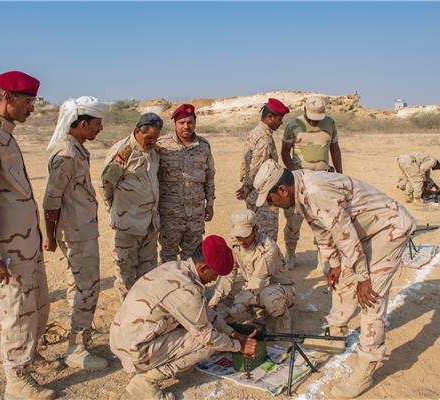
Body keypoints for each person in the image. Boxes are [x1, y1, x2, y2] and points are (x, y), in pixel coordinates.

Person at [253, 159, 416, 399]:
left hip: (388, 228)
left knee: (370, 297)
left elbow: (344, 234)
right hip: (363, 233)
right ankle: (336, 332)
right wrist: (336, 264)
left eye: (270, 198)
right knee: (342, 281)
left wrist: (364, 277)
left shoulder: (316, 191)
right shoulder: (299, 187)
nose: (271, 204)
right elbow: (320, 229)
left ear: (282, 190)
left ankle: (367, 365)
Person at [0, 71, 56, 399]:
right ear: (7, 97)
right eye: (27, 101)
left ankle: (29, 357)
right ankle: (17, 380)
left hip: (25, 244)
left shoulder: (5, 134)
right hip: (7, 251)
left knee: (36, 305)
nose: (32, 108)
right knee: (17, 312)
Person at [110, 235, 258, 400]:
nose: (215, 279)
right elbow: (208, 338)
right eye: (215, 274)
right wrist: (239, 346)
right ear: (203, 268)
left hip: (124, 338)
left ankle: (161, 362)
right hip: (135, 349)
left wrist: (234, 334)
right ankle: (145, 380)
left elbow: (205, 312)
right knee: (207, 343)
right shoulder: (187, 291)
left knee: (206, 331)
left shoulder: (176, 268)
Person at [42, 96, 108, 371]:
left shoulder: (76, 149)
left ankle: (77, 334)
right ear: (82, 124)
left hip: (80, 228)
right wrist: (49, 236)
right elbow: (51, 200)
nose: (100, 129)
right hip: (76, 232)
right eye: (97, 124)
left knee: (77, 285)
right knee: (87, 287)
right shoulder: (67, 154)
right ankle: (77, 348)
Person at [100, 113, 163, 300]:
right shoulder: (124, 152)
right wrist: (115, 211)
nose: (152, 142)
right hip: (127, 223)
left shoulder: (153, 150)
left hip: (149, 223)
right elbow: (106, 185)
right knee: (125, 271)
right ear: (137, 131)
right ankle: (128, 310)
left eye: (155, 138)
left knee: (148, 270)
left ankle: (144, 306)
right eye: (149, 137)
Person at [280, 96, 343, 269]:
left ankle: (325, 256)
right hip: (299, 181)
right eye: (312, 118)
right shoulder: (293, 125)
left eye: (318, 118)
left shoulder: (330, 124)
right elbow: (285, 152)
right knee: (294, 219)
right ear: (305, 110)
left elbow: (335, 149)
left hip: (323, 181)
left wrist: (340, 175)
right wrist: (295, 173)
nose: (315, 122)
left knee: (324, 220)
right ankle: (290, 253)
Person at [209, 209, 295, 333]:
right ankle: (252, 313)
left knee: (269, 298)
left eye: (245, 236)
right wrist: (214, 302)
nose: (241, 241)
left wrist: (233, 314)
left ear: (255, 229)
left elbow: (256, 282)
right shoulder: (236, 243)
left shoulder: (269, 248)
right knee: (226, 292)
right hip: (252, 285)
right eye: (238, 236)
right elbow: (229, 274)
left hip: (276, 287)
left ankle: (283, 319)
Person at [158, 104, 215, 262]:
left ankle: (189, 279)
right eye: (181, 122)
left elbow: (209, 176)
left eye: (190, 122)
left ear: (195, 123)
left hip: (195, 213)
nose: (186, 126)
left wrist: (210, 203)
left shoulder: (203, 146)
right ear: (175, 124)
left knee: (194, 256)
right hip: (170, 214)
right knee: (168, 256)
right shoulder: (162, 145)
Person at [236, 98, 289, 242]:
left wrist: (245, 187)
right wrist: (247, 187)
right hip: (263, 195)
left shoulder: (255, 132)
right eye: (279, 119)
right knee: (267, 238)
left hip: (254, 193)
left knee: (255, 235)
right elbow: (255, 168)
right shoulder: (264, 138)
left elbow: (246, 164)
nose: (281, 123)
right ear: (270, 117)